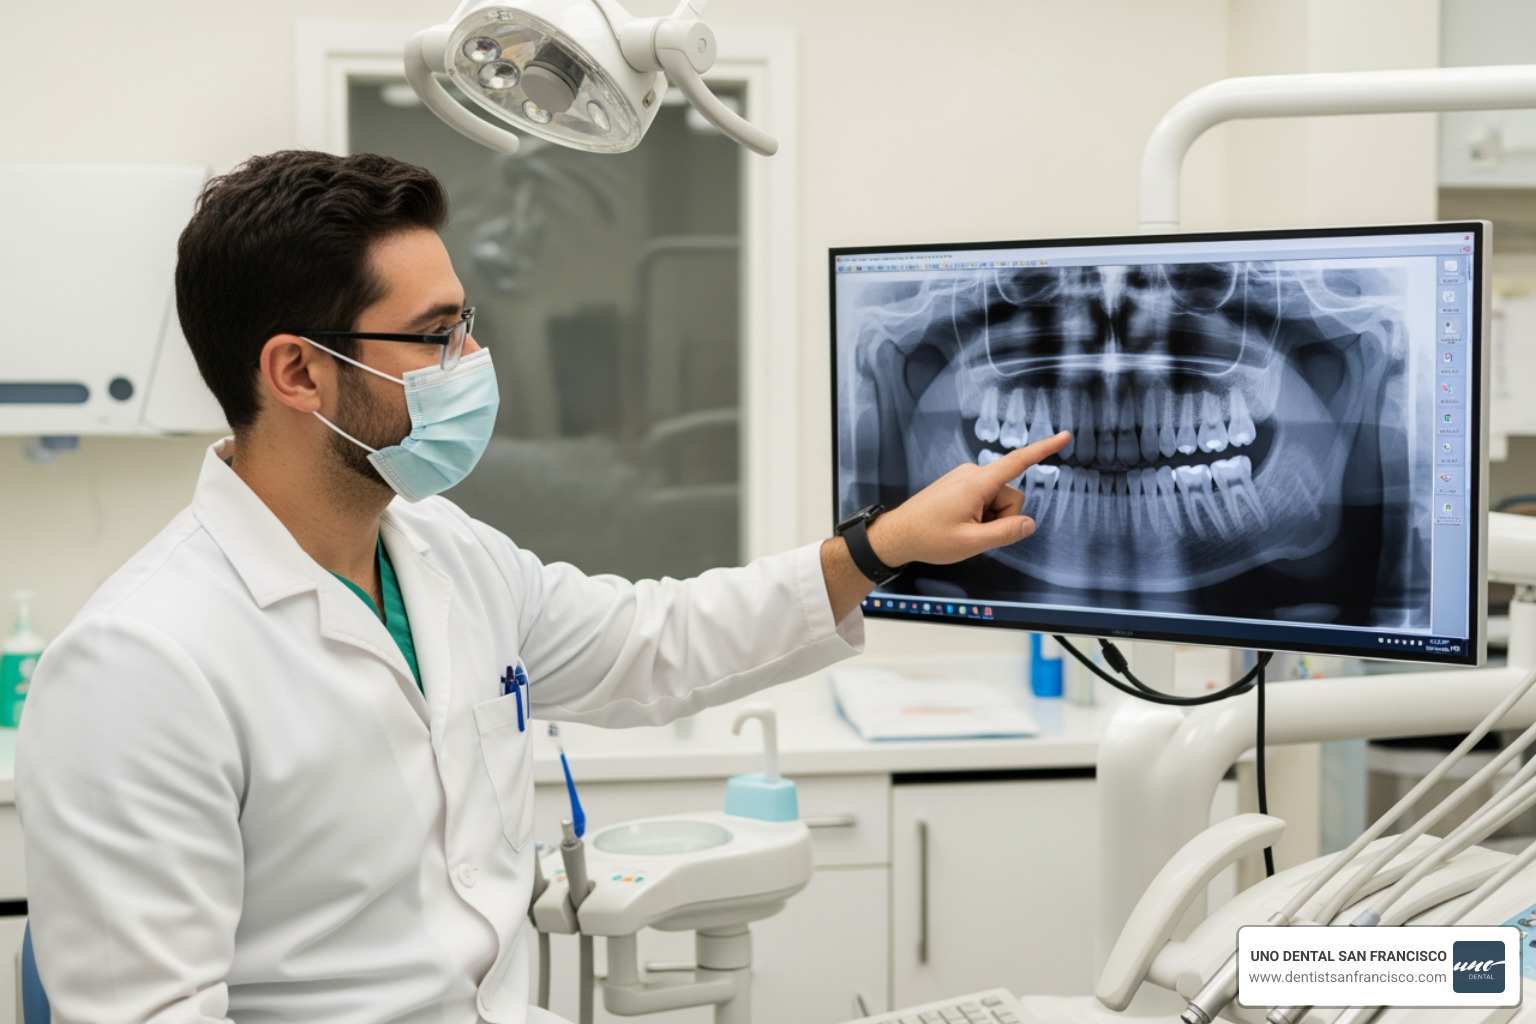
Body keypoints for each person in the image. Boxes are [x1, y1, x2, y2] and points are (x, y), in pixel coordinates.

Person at [16, 150, 1069, 1024]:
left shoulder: (443, 552)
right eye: (436, 335)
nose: (473, 360)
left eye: (466, 323)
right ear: (297, 372)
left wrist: (881, 546)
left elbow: (653, 643)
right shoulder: (142, 664)